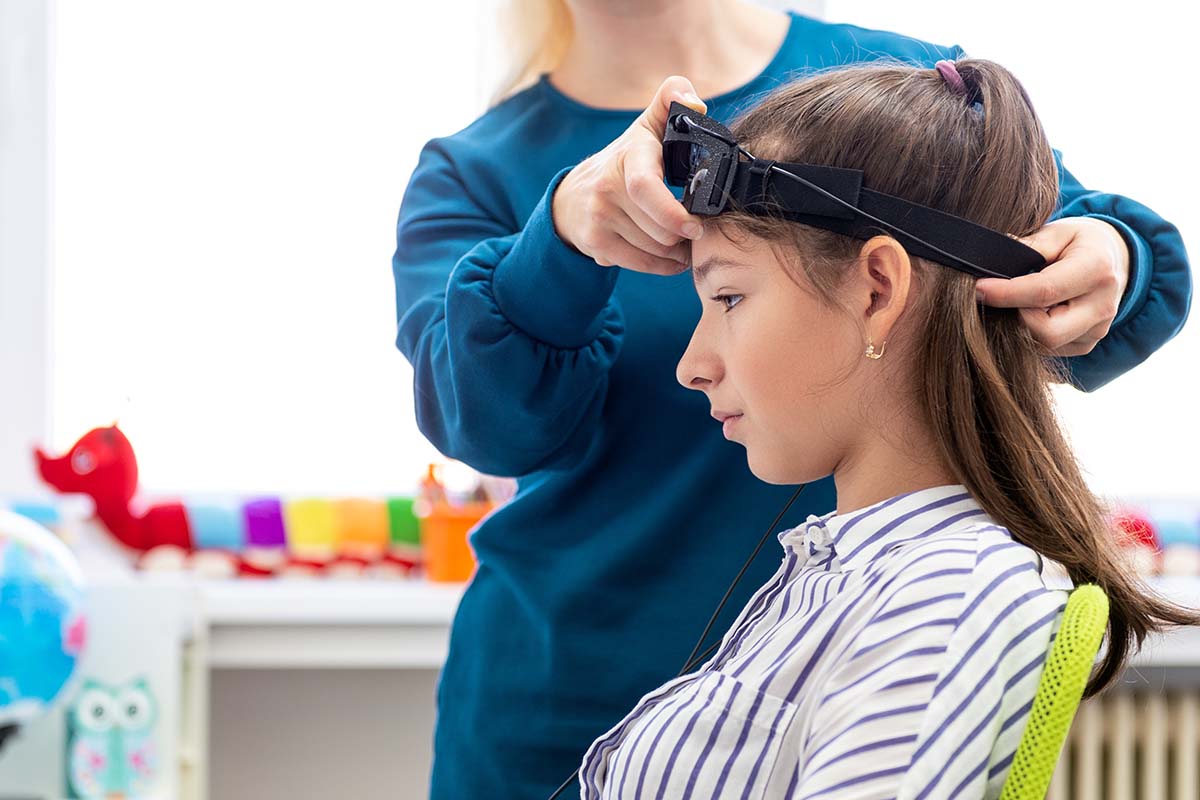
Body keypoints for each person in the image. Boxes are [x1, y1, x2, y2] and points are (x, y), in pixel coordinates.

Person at [391, 2, 1192, 796]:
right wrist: (558, 239)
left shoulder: (902, 91)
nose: (691, 365)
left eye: (730, 297)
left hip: (856, 676)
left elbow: (1031, 287)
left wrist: (1111, 255)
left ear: (880, 285)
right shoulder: (474, 172)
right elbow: (483, 419)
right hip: (559, 717)